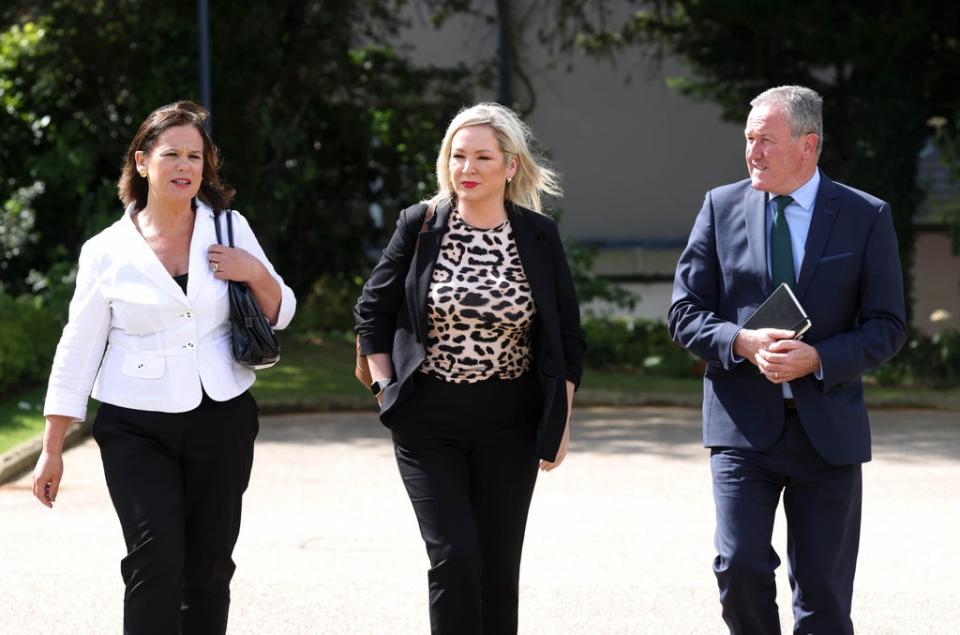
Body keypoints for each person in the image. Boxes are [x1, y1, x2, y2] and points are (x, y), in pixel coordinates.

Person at [32, 101, 296, 634]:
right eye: (171, 154)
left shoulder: (229, 227)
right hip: (135, 424)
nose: (185, 166)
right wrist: (52, 447)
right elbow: (78, 347)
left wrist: (252, 272)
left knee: (211, 564)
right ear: (143, 161)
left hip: (221, 415)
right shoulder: (104, 251)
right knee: (155, 559)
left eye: (195, 156)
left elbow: (281, 311)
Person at [669, 85, 907, 634]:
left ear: (809, 145)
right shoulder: (719, 206)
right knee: (740, 566)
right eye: (749, 139)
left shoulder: (865, 216)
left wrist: (818, 358)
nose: (753, 152)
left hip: (828, 428)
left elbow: (888, 326)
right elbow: (684, 311)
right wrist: (740, 342)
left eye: (767, 141)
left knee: (824, 596)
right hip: (742, 428)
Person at [354, 102, 586, 634]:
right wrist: (386, 385)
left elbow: (567, 339)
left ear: (510, 165)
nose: (467, 169)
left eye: (482, 156)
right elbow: (373, 309)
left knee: (498, 569)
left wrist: (561, 421)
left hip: (511, 418)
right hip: (427, 416)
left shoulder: (538, 235)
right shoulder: (422, 224)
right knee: (455, 559)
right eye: (458, 156)